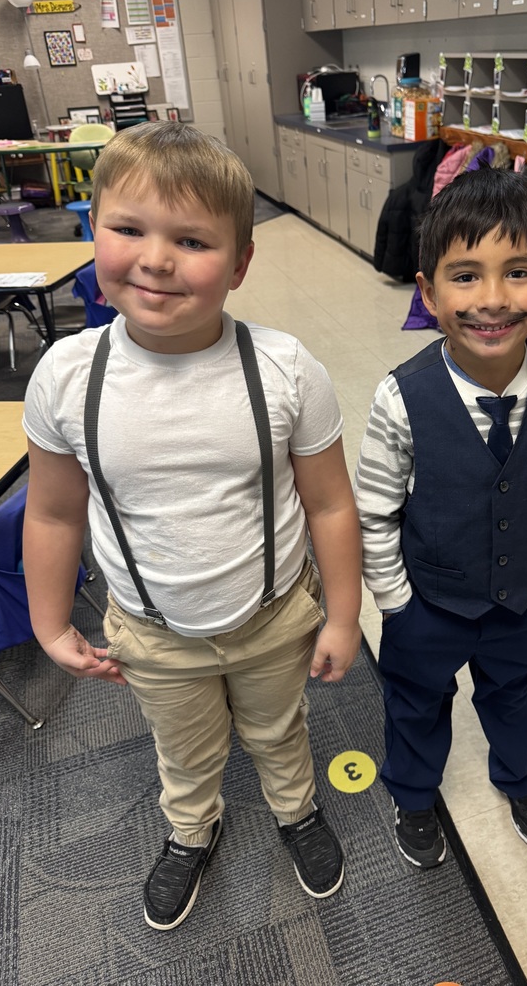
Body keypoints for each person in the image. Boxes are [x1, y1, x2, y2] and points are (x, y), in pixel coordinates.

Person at [22, 122, 363, 929]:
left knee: (280, 730)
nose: (156, 259)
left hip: (274, 614)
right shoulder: (68, 377)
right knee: (184, 748)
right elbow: (54, 509)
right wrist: (45, 622)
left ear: (240, 262)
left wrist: (345, 615)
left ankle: (295, 809)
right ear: (91, 230)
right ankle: (190, 828)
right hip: (150, 629)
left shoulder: (284, 368)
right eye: (128, 229)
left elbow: (330, 504)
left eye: (193, 240)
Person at [354, 166, 527, 867]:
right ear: (428, 293)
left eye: (518, 272)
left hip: (526, 599)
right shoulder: (401, 397)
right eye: (465, 276)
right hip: (426, 604)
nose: (493, 300)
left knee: (515, 695)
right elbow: (376, 512)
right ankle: (413, 791)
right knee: (415, 703)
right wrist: (396, 602)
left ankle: (520, 781)